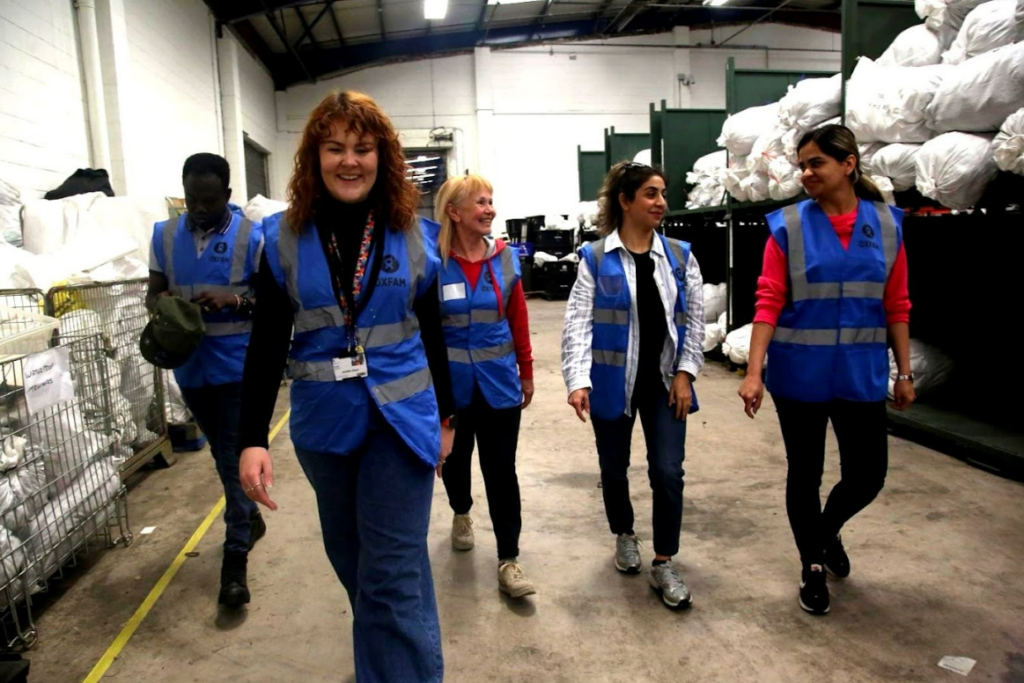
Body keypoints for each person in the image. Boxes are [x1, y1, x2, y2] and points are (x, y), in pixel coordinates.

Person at [236, 91, 455, 683]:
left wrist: (448, 419)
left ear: (383, 156)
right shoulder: (281, 238)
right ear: (314, 157)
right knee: (360, 563)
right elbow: (265, 345)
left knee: (388, 576)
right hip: (324, 425)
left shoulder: (414, 234)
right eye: (335, 148)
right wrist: (251, 438)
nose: (349, 161)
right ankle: (396, 662)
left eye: (363, 148)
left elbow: (434, 331)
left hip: (402, 421)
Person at [737, 124, 915, 616]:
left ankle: (827, 529)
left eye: (816, 163)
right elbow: (768, 301)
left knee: (868, 475)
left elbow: (896, 304)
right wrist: (754, 372)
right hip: (799, 376)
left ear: (848, 164)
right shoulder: (787, 226)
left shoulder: (885, 225)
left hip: (860, 375)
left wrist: (904, 373)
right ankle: (812, 565)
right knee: (806, 473)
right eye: (803, 164)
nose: (806, 172)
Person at [561, 161, 705, 610]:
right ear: (625, 202)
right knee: (613, 467)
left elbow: (695, 323)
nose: (661, 202)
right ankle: (624, 533)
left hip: (664, 383)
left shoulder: (680, 257)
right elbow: (577, 325)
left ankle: (664, 561)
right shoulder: (595, 258)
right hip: (611, 381)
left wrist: (686, 374)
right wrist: (577, 379)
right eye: (650, 194)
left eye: (662, 193)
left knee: (667, 471)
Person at [146, 153, 265, 609]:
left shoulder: (252, 237)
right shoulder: (165, 234)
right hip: (190, 367)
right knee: (222, 453)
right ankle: (248, 516)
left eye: (209, 200)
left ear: (228, 197)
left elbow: (270, 305)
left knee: (235, 458)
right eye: (192, 199)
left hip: (237, 367)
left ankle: (235, 556)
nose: (198, 208)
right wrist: (163, 304)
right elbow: (151, 292)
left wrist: (234, 298)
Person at [431, 174, 536, 599]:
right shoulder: (434, 263)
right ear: (454, 212)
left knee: (501, 470)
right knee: (455, 463)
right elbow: (426, 331)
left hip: (498, 385)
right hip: (452, 387)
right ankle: (461, 511)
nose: (489, 209)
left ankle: (509, 558)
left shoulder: (506, 259)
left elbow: (519, 318)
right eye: (480, 202)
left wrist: (526, 371)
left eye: (491, 201)